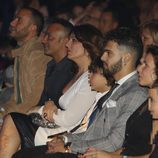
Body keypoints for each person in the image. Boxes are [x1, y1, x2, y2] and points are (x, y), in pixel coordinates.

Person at [13, 27, 148, 158]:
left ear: (126, 58)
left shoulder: (135, 92)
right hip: (81, 146)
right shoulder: (116, 87)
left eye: (109, 53)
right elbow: (91, 131)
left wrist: (69, 148)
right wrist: (64, 138)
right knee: (22, 154)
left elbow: (114, 141)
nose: (102, 57)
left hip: (93, 153)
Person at [0, 24, 103, 158]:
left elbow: (70, 119)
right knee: (11, 120)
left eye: (74, 40)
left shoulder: (91, 79)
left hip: (61, 134)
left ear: (88, 47)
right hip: (53, 126)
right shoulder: (75, 72)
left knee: (12, 121)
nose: (68, 44)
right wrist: (46, 107)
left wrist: (42, 110)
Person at [1, 7, 50, 114]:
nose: (12, 23)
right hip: (17, 114)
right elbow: (18, 98)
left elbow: (35, 100)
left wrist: (6, 116)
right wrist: (3, 111)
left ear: (32, 28)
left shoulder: (37, 54)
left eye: (19, 20)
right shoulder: (23, 52)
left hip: (28, 119)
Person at [34, 18, 76, 109]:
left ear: (66, 41)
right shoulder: (52, 65)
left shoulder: (71, 70)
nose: (43, 41)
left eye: (50, 37)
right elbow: (43, 101)